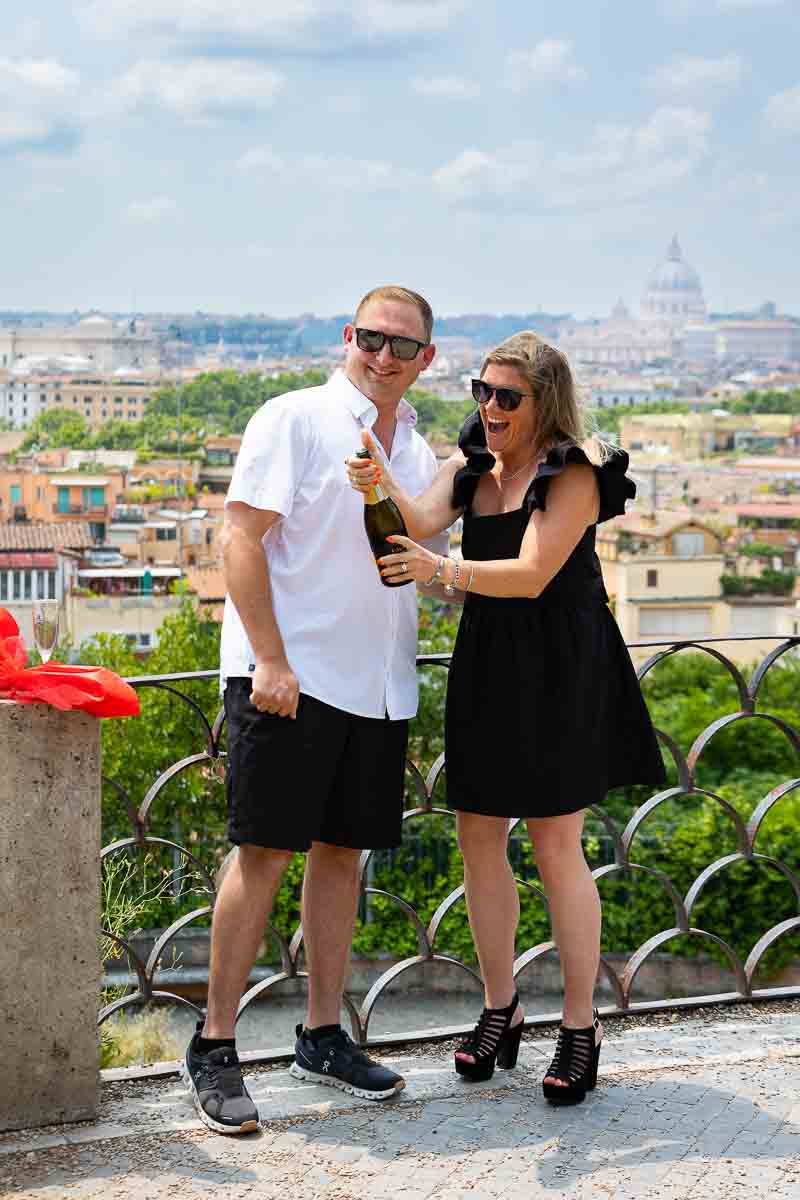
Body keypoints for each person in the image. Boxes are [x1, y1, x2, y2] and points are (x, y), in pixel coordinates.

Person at [347, 331, 666, 1107]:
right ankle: (502, 1009)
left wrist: (442, 571)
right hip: (490, 658)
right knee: (477, 838)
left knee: (558, 845)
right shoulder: (473, 464)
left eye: (506, 397)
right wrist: (373, 480)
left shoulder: (575, 471)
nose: (489, 407)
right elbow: (418, 521)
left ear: (543, 403)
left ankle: (581, 1027)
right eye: (481, 391)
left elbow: (527, 575)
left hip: (561, 663)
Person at [183, 285, 450, 1133]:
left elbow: (427, 545)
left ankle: (323, 1036)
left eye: (401, 346)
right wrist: (267, 657)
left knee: (341, 856)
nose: (383, 355)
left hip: (376, 681)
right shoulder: (294, 417)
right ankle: (215, 1045)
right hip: (288, 679)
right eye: (372, 338)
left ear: (425, 360)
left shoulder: (414, 446)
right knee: (261, 856)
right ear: (348, 336)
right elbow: (239, 536)